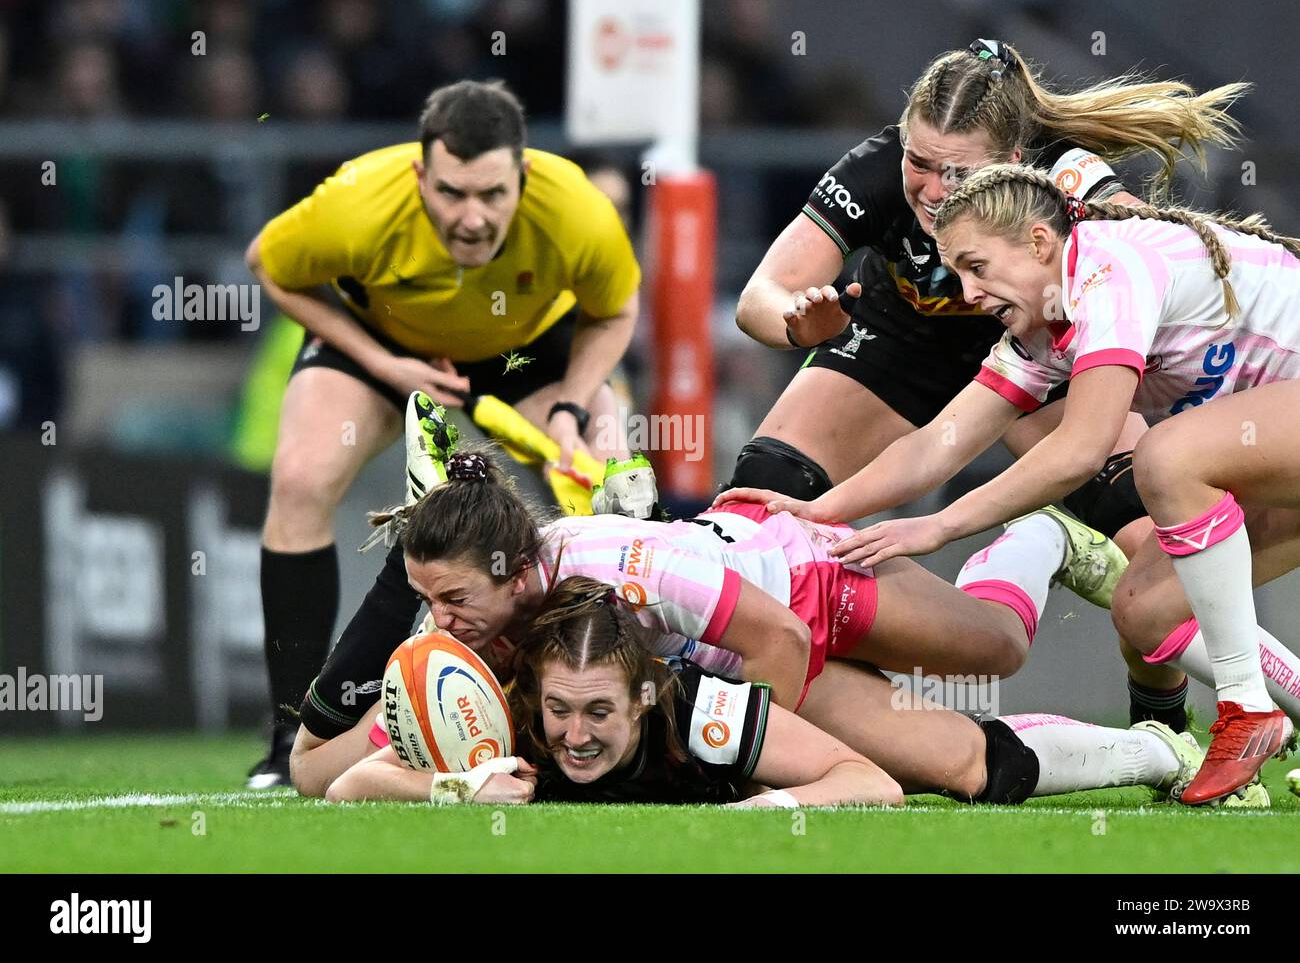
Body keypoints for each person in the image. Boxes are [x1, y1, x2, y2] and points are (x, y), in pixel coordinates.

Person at [729, 163, 1300, 803]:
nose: (967, 293)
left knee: (1165, 457)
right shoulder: (1038, 329)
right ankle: (1262, 708)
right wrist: (816, 508)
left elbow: (1081, 449)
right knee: (1145, 610)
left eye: (977, 266)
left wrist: (938, 526)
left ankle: (1246, 707)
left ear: (1037, 242)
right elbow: (934, 446)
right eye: (956, 272)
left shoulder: (1108, 272)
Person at [729, 39, 1248, 734]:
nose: (933, 189)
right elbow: (758, 296)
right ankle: (860, 718)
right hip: (901, 343)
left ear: (1011, 165)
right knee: (764, 498)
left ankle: (1164, 723)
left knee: (1157, 549)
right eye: (920, 162)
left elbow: (1155, 252)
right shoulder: (879, 169)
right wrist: (796, 324)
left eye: (957, 172)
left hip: (1037, 353)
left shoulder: (1066, 177)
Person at [289, 427, 1128, 798]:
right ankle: (1158, 753)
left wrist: (728, 769)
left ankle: (1037, 539)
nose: (436, 622)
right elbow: (316, 776)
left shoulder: (618, 567)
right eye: (423, 600)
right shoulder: (468, 632)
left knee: (1000, 649)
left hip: (799, 588)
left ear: (514, 574)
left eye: (450, 599)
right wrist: (444, 779)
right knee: (968, 771)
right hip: (727, 656)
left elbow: (781, 638)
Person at [244, 79, 641, 786]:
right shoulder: (357, 201)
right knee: (301, 477)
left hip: (524, 351)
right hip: (385, 344)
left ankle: (628, 715)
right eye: (452, 193)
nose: (472, 218)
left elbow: (616, 309)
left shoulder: (577, 208)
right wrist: (385, 365)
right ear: (419, 174)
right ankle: (288, 738)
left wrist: (574, 406)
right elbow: (268, 267)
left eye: (493, 195)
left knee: (612, 475)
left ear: (522, 174)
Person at [325, 576, 1250, 808]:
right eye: (560, 710)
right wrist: (458, 785)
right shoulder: (519, 721)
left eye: (597, 713)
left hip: (806, 630)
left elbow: (869, 786)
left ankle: (1154, 748)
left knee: (969, 768)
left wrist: (776, 808)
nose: (570, 735)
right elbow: (348, 784)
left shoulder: (703, 717)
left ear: (645, 699)